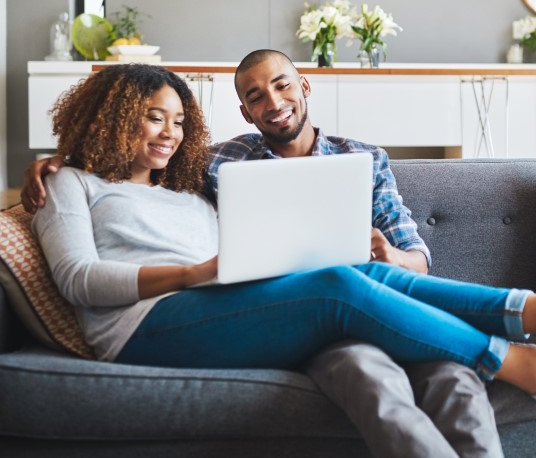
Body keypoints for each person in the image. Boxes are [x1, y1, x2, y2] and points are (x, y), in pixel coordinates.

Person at [23, 51, 507, 457]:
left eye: (282, 86)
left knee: (448, 374)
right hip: (285, 311)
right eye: (256, 96)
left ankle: (511, 321)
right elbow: (122, 179)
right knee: (350, 321)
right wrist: (63, 160)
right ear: (245, 112)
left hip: (355, 301)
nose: (273, 103)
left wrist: (392, 254)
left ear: (305, 87)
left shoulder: (363, 159)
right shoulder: (217, 165)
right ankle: (515, 330)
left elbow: (416, 256)